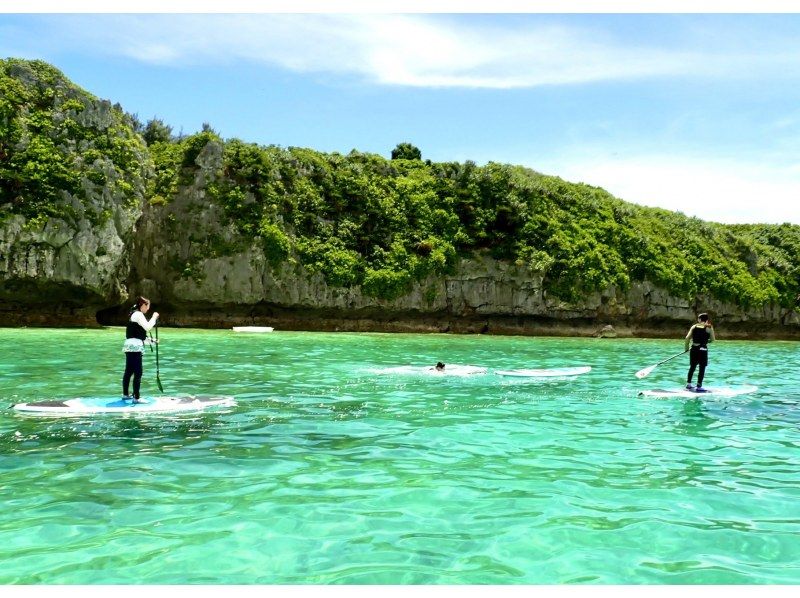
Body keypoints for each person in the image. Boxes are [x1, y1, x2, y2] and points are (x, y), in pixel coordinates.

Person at [122, 297, 159, 403]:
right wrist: (154, 317)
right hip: (135, 348)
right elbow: (148, 327)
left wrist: (152, 341)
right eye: (147, 307)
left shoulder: (134, 314)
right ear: (143, 305)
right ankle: (136, 398)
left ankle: (125, 394)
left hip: (130, 346)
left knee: (129, 371)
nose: (147, 310)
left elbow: (138, 336)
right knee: (138, 372)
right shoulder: (138, 314)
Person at [685, 313, 715, 392]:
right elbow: (713, 340)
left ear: (699, 319)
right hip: (703, 350)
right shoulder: (709, 327)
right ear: (707, 320)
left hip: (694, 349)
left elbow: (687, 338)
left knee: (692, 367)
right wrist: (705, 342)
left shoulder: (694, 327)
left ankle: (688, 384)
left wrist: (686, 348)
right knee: (702, 368)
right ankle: (699, 386)